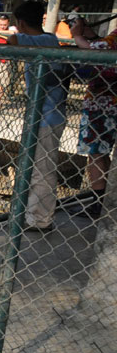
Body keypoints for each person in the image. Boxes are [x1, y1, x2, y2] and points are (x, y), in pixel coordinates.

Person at [6, 1, 73, 231]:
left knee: (42, 168)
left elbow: (12, 41)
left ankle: (40, 220)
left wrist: (15, 32)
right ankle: (31, 214)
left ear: (21, 22)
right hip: (44, 113)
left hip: (47, 115)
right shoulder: (49, 39)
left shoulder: (40, 40)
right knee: (36, 166)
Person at [68, 17, 117, 219]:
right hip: (108, 101)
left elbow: (96, 50)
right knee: (100, 153)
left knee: (95, 152)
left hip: (103, 103)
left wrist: (78, 35)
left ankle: (98, 203)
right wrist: (91, 35)